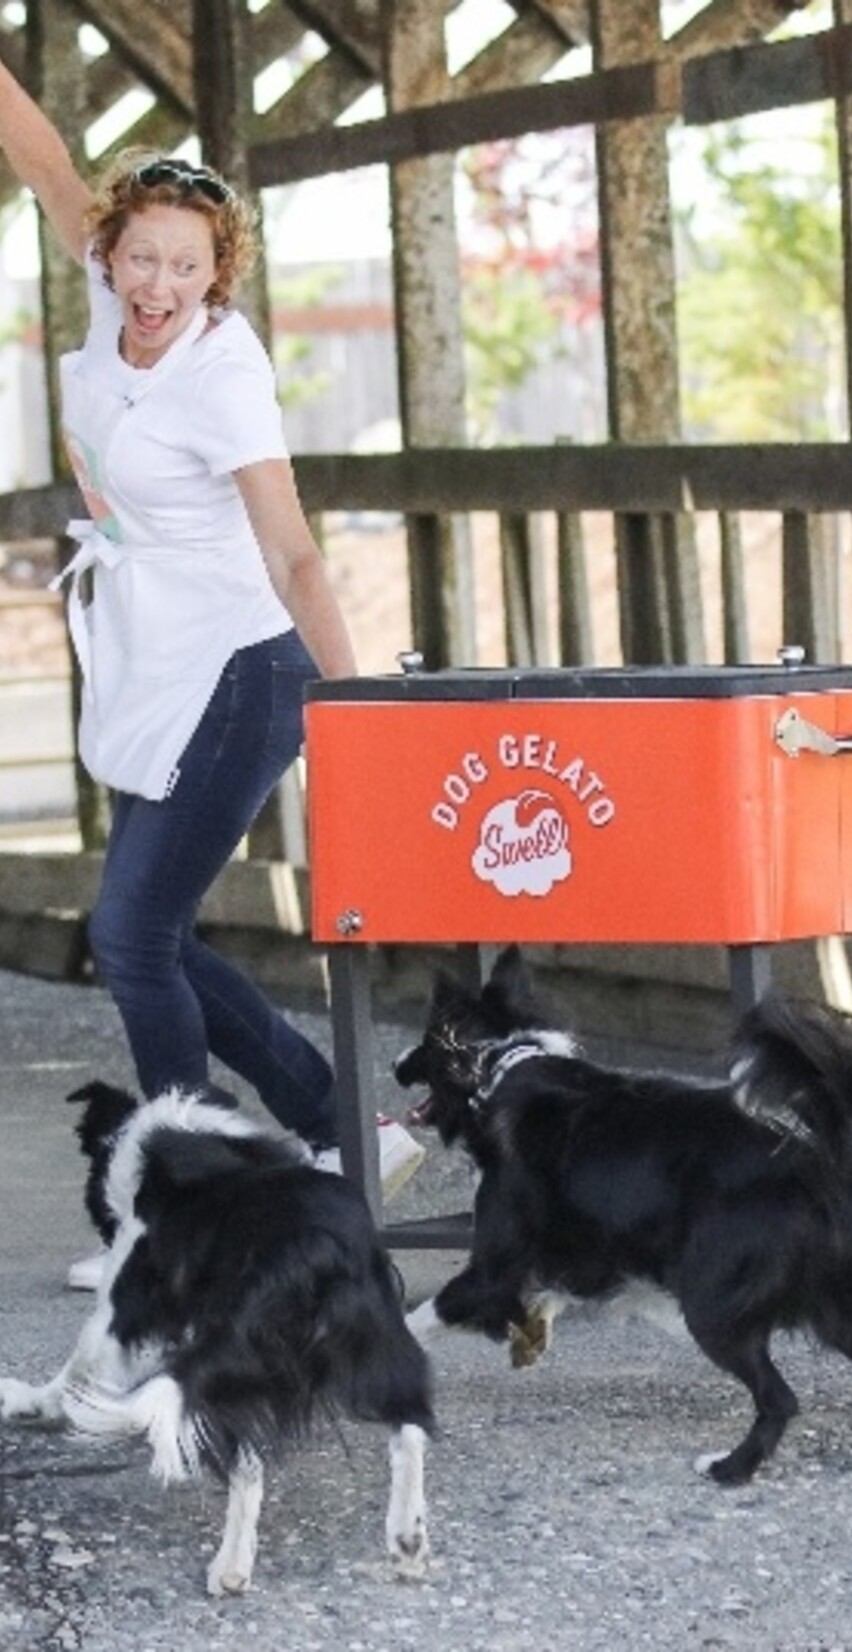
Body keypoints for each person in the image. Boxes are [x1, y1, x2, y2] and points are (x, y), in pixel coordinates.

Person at [0, 61, 423, 1287]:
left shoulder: (225, 375)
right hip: (153, 651)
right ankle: (348, 1132)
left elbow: (291, 545)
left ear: (216, 275)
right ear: (111, 249)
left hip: (243, 667)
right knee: (159, 932)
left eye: (187, 269)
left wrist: (352, 702)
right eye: (142, 260)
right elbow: (38, 156)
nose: (158, 287)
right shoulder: (105, 289)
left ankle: (185, 1215)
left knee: (131, 931)